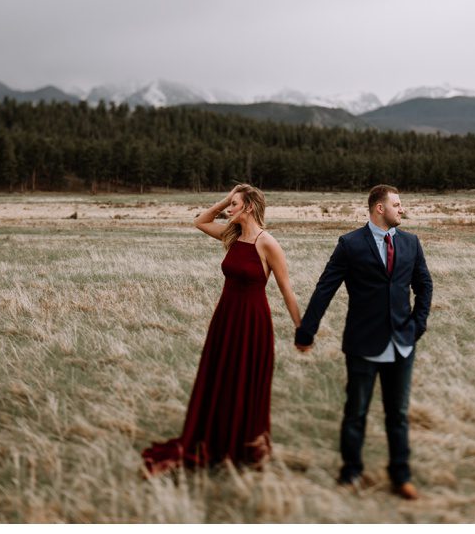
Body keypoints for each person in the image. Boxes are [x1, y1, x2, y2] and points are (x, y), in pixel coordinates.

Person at [142, 184, 302, 475]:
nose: (229, 210)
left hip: (253, 322)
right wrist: (226, 198)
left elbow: (287, 291)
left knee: (244, 381)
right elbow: (200, 222)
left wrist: (301, 330)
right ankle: (215, 438)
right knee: (220, 378)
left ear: (249, 208)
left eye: (235, 205)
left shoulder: (268, 244)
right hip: (225, 319)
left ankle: (243, 447)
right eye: (230, 205)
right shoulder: (232, 236)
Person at [295, 185, 433, 500]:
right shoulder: (350, 244)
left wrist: (417, 326)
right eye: (397, 205)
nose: (402, 210)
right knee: (355, 412)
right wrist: (307, 331)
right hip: (362, 343)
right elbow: (325, 288)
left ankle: (401, 476)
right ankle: (351, 473)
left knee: (397, 413)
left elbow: (424, 285)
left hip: (402, 343)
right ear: (379, 209)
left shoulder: (411, 243)